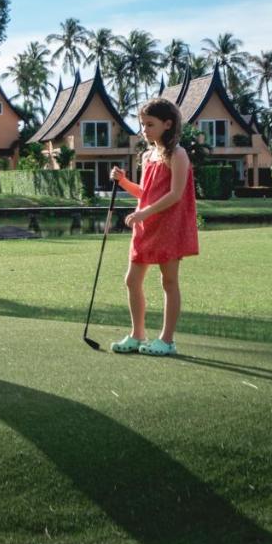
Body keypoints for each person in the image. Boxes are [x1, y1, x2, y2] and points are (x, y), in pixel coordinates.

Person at [108, 97, 198, 357]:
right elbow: (145, 193)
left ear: (167, 124)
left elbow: (175, 194)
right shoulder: (148, 156)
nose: (144, 130)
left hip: (168, 225)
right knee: (131, 280)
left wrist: (144, 212)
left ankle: (167, 340)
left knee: (169, 281)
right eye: (142, 125)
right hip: (146, 225)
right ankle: (137, 335)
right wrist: (124, 182)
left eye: (150, 124)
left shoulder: (177, 154)